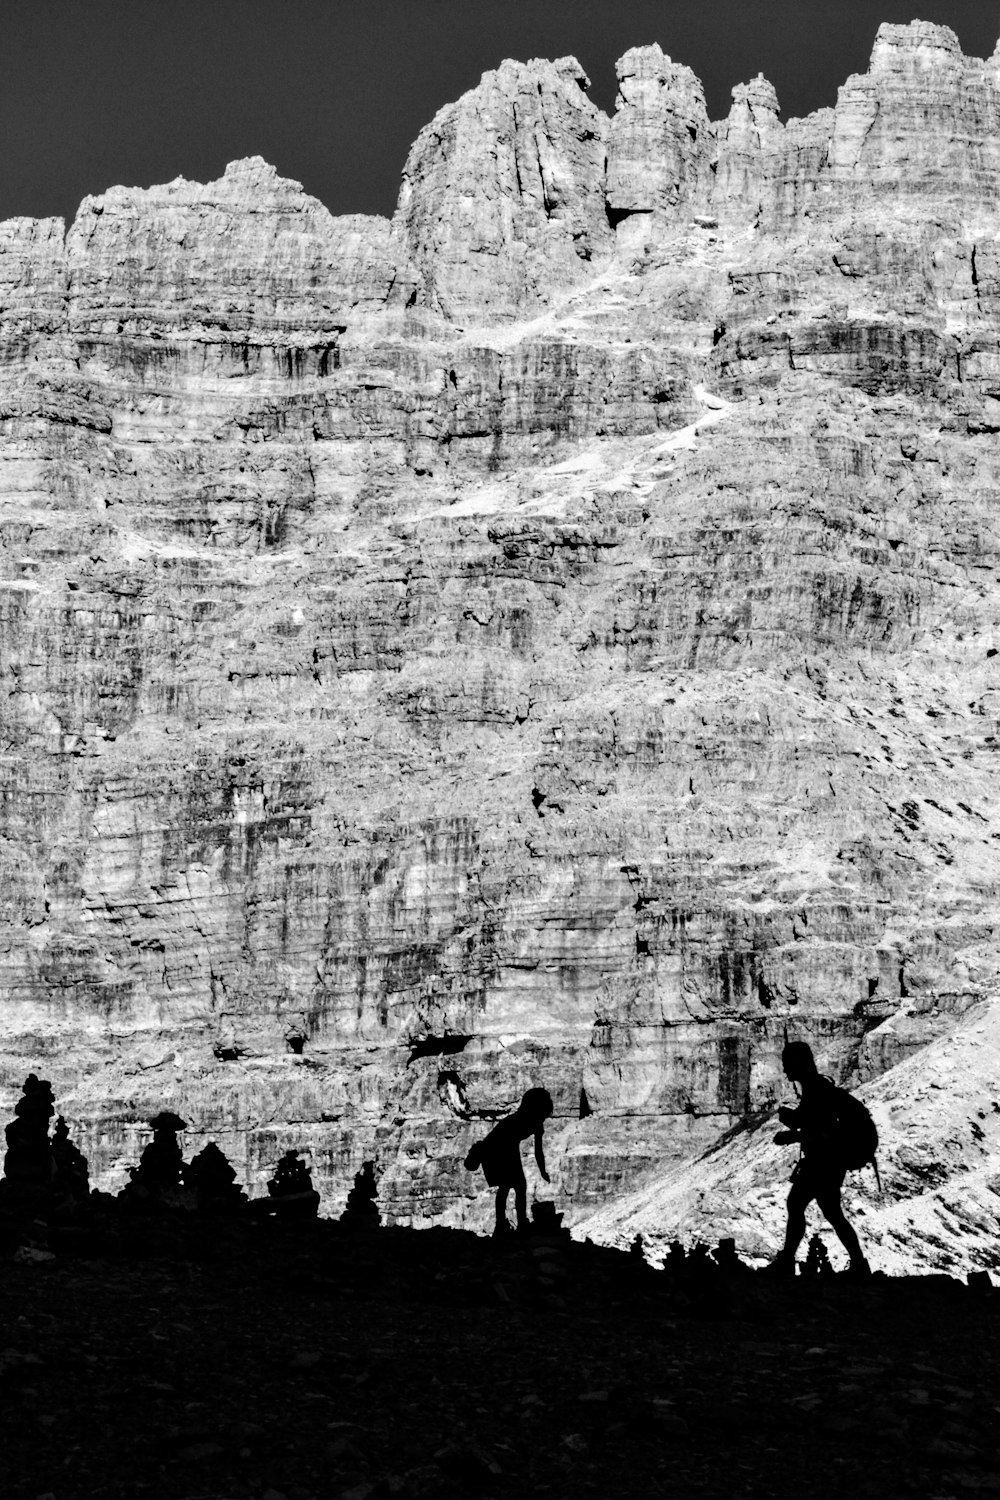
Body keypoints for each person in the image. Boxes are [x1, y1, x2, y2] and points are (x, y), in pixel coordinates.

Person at [767, 1041, 870, 1277]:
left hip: (823, 1162)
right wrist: (792, 1121)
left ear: (800, 1063)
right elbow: (812, 1122)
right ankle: (859, 1264)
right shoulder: (817, 1088)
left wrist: (792, 1135)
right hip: (831, 1162)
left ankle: (786, 1262)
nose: (785, 1070)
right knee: (832, 1213)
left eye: (787, 1064)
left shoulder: (815, 1090)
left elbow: (824, 1132)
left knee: (796, 1204)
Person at [466, 1087, 553, 1236]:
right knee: (515, 1185)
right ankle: (514, 1224)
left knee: (508, 1186)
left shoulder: (525, 1118)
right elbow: (536, 1151)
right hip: (498, 1149)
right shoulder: (529, 1120)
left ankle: (506, 1224)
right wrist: (542, 1171)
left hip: (499, 1148)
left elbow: (537, 1151)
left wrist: (543, 1171)